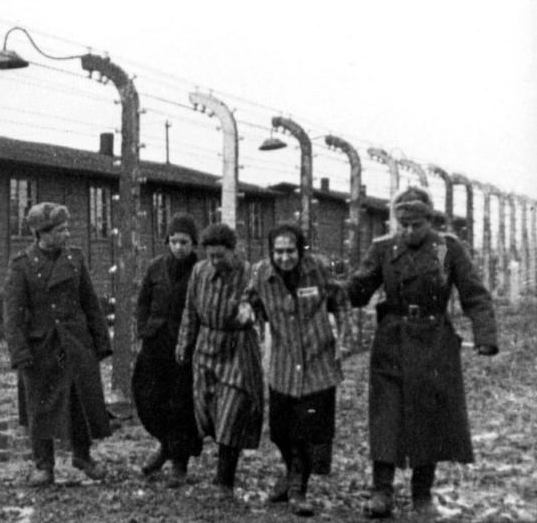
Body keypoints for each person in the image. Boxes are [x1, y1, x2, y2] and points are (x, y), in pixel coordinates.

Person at [345, 186, 499, 519]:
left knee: (429, 417)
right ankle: (381, 491)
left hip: (434, 343)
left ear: (429, 221)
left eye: (416, 224)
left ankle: (422, 494)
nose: (410, 231)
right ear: (396, 222)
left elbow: (473, 293)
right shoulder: (384, 249)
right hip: (392, 341)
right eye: (403, 224)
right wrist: (342, 287)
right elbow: (358, 290)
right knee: (386, 415)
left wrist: (485, 334)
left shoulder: (445, 248)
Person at [3, 202, 113, 487]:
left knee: (80, 402)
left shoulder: (75, 260)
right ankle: (43, 466)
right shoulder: (22, 265)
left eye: (67, 229)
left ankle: (83, 457)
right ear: (43, 233)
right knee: (40, 407)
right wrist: (19, 352)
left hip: (75, 345)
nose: (67, 235)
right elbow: (12, 315)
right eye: (61, 230)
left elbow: (90, 303)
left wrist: (101, 342)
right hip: (41, 349)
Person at [243, 223, 343, 517]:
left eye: (290, 251)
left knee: (307, 430)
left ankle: (298, 489)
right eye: (279, 252)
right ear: (271, 253)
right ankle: (291, 475)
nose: (285, 257)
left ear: (300, 251)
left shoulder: (318, 270)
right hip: (284, 361)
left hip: (316, 360)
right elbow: (250, 297)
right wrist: (247, 309)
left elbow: (342, 301)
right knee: (280, 430)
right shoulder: (262, 273)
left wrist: (344, 340)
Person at [175, 223, 263, 501]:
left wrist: (250, 313)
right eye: (210, 255)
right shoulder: (199, 272)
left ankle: (224, 480)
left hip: (237, 348)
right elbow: (191, 311)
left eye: (220, 255)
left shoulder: (249, 273)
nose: (214, 261)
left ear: (232, 251)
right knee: (206, 410)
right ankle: (218, 468)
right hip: (206, 348)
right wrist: (184, 344)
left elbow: (258, 306)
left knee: (232, 411)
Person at [132, 213, 203, 486]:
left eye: (184, 242)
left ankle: (179, 464)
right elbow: (142, 302)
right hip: (155, 344)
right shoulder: (155, 267)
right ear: (167, 241)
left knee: (181, 406)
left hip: (185, 347)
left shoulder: (200, 269)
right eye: (174, 241)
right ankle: (164, 446)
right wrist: (143, 330)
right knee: (149, 399)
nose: (179, 247)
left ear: (193, 243)